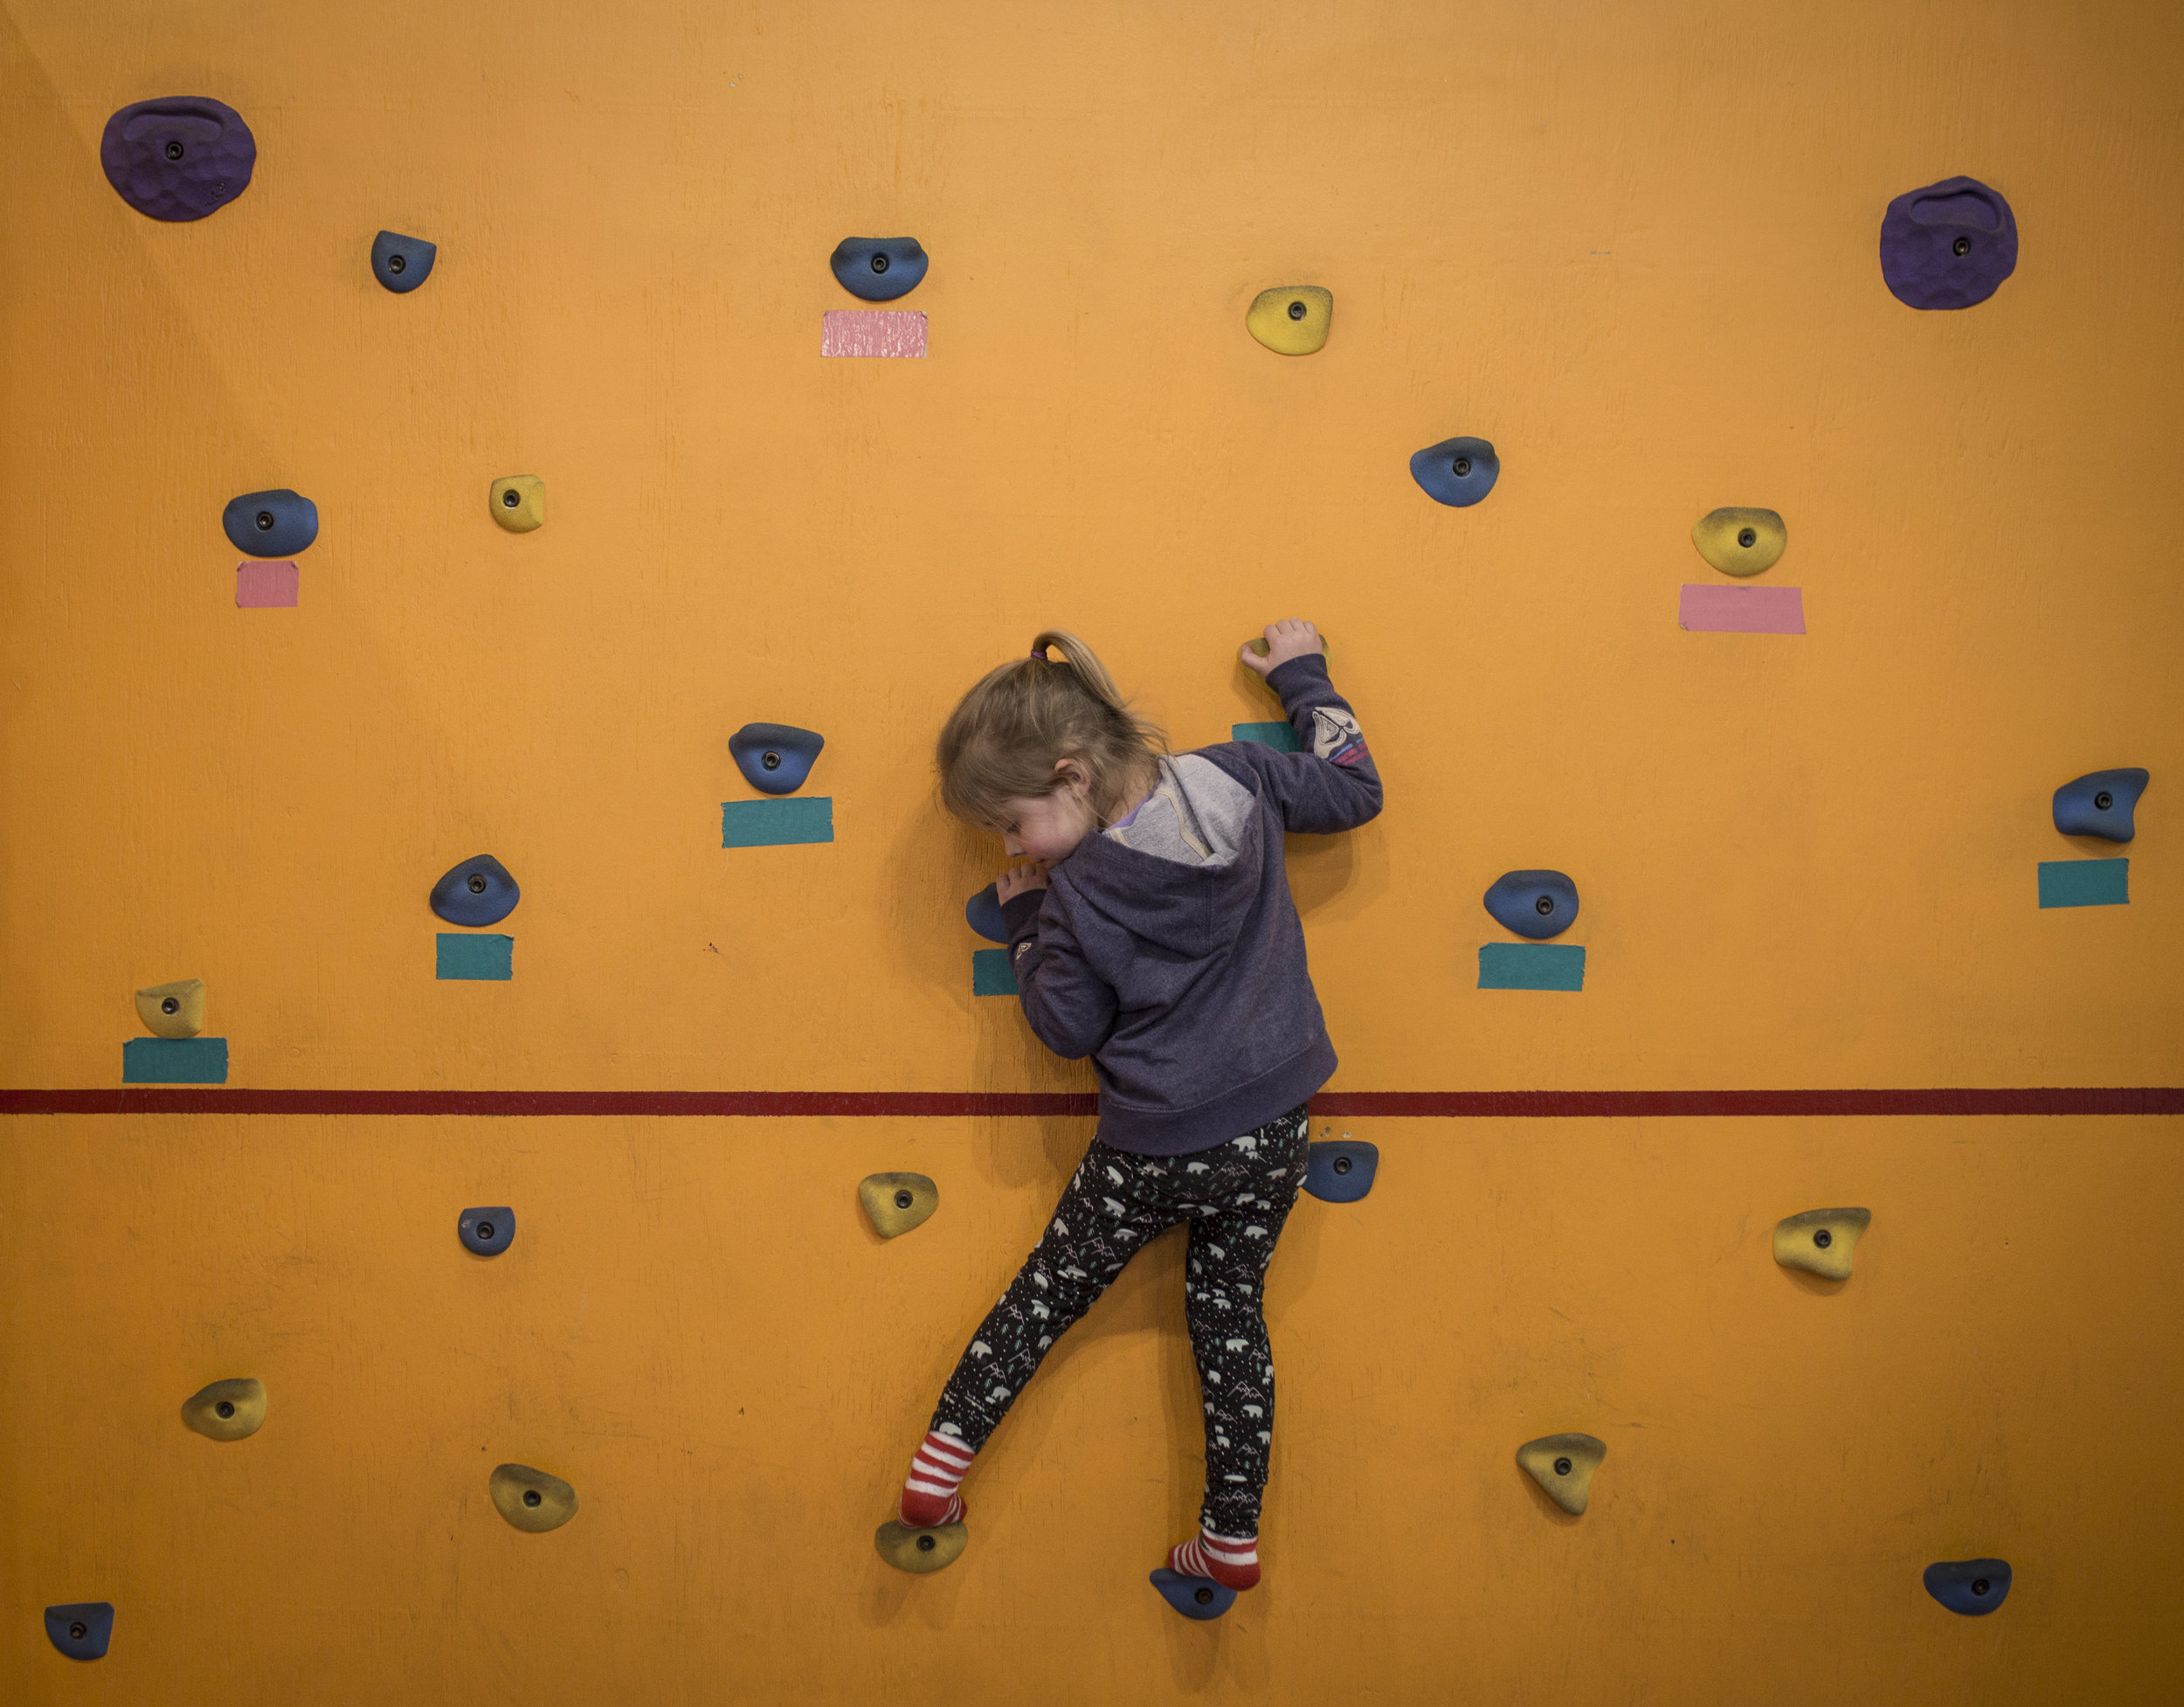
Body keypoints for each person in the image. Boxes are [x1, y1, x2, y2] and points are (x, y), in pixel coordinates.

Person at [891, 620, 1381, 1593]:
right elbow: (1356, 788)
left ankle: (940, 1463)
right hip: (1275, 1123)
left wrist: (1027, 920)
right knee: (1229, 1316)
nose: (1009, 844)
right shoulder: (1239, 777)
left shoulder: (1073, 898)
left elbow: (1067, 1030)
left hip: (1153, 1145)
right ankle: (1230, 1533)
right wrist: (1301, 678)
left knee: (1045, 1295)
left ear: (1072, 774)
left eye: (1014, 822)